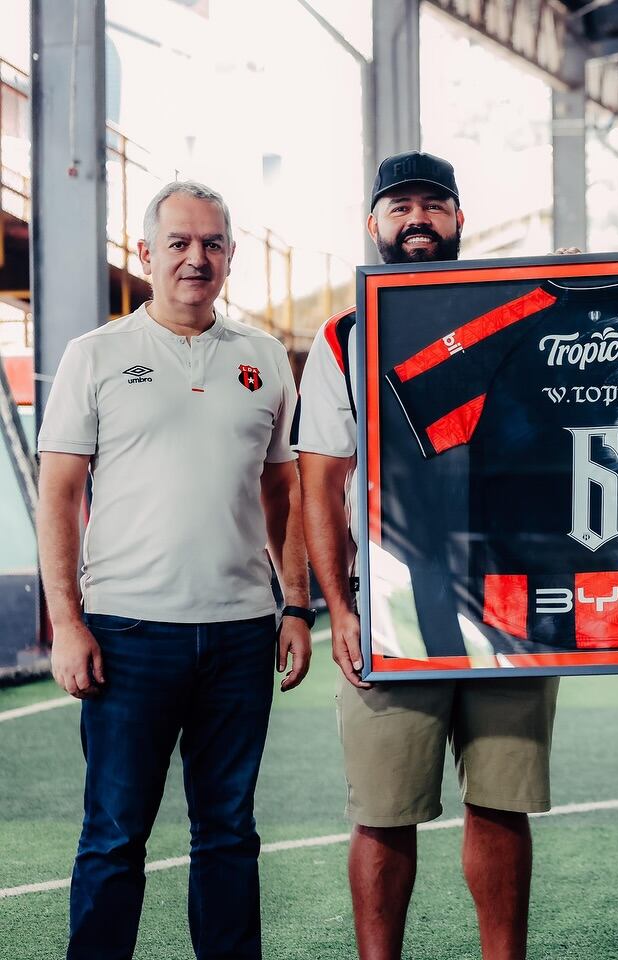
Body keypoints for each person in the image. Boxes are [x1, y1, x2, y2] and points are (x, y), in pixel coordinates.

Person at [38, 180, 311, 959]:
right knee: (114, 836)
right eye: (181, 243)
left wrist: (295, 605)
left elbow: (281, 489)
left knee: (228, 832)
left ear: (231, 256)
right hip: (128, 635)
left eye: (213, 244)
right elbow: (59, 497)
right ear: (146, 253)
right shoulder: (95, 356)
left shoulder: (262, 359)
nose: (198, 258)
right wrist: (67, 623)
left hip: (237, 637)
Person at [296, 151, 559, 960]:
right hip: (391, 606)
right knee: (382, 809)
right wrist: (337, 610)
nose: (418, 220)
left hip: (510, 598)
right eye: (400, 206)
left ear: (459, 220)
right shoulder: (345, 338)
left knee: (501, 801)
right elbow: (320, 483)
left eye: (434, 205)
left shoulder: (523, 316)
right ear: (372, 224)